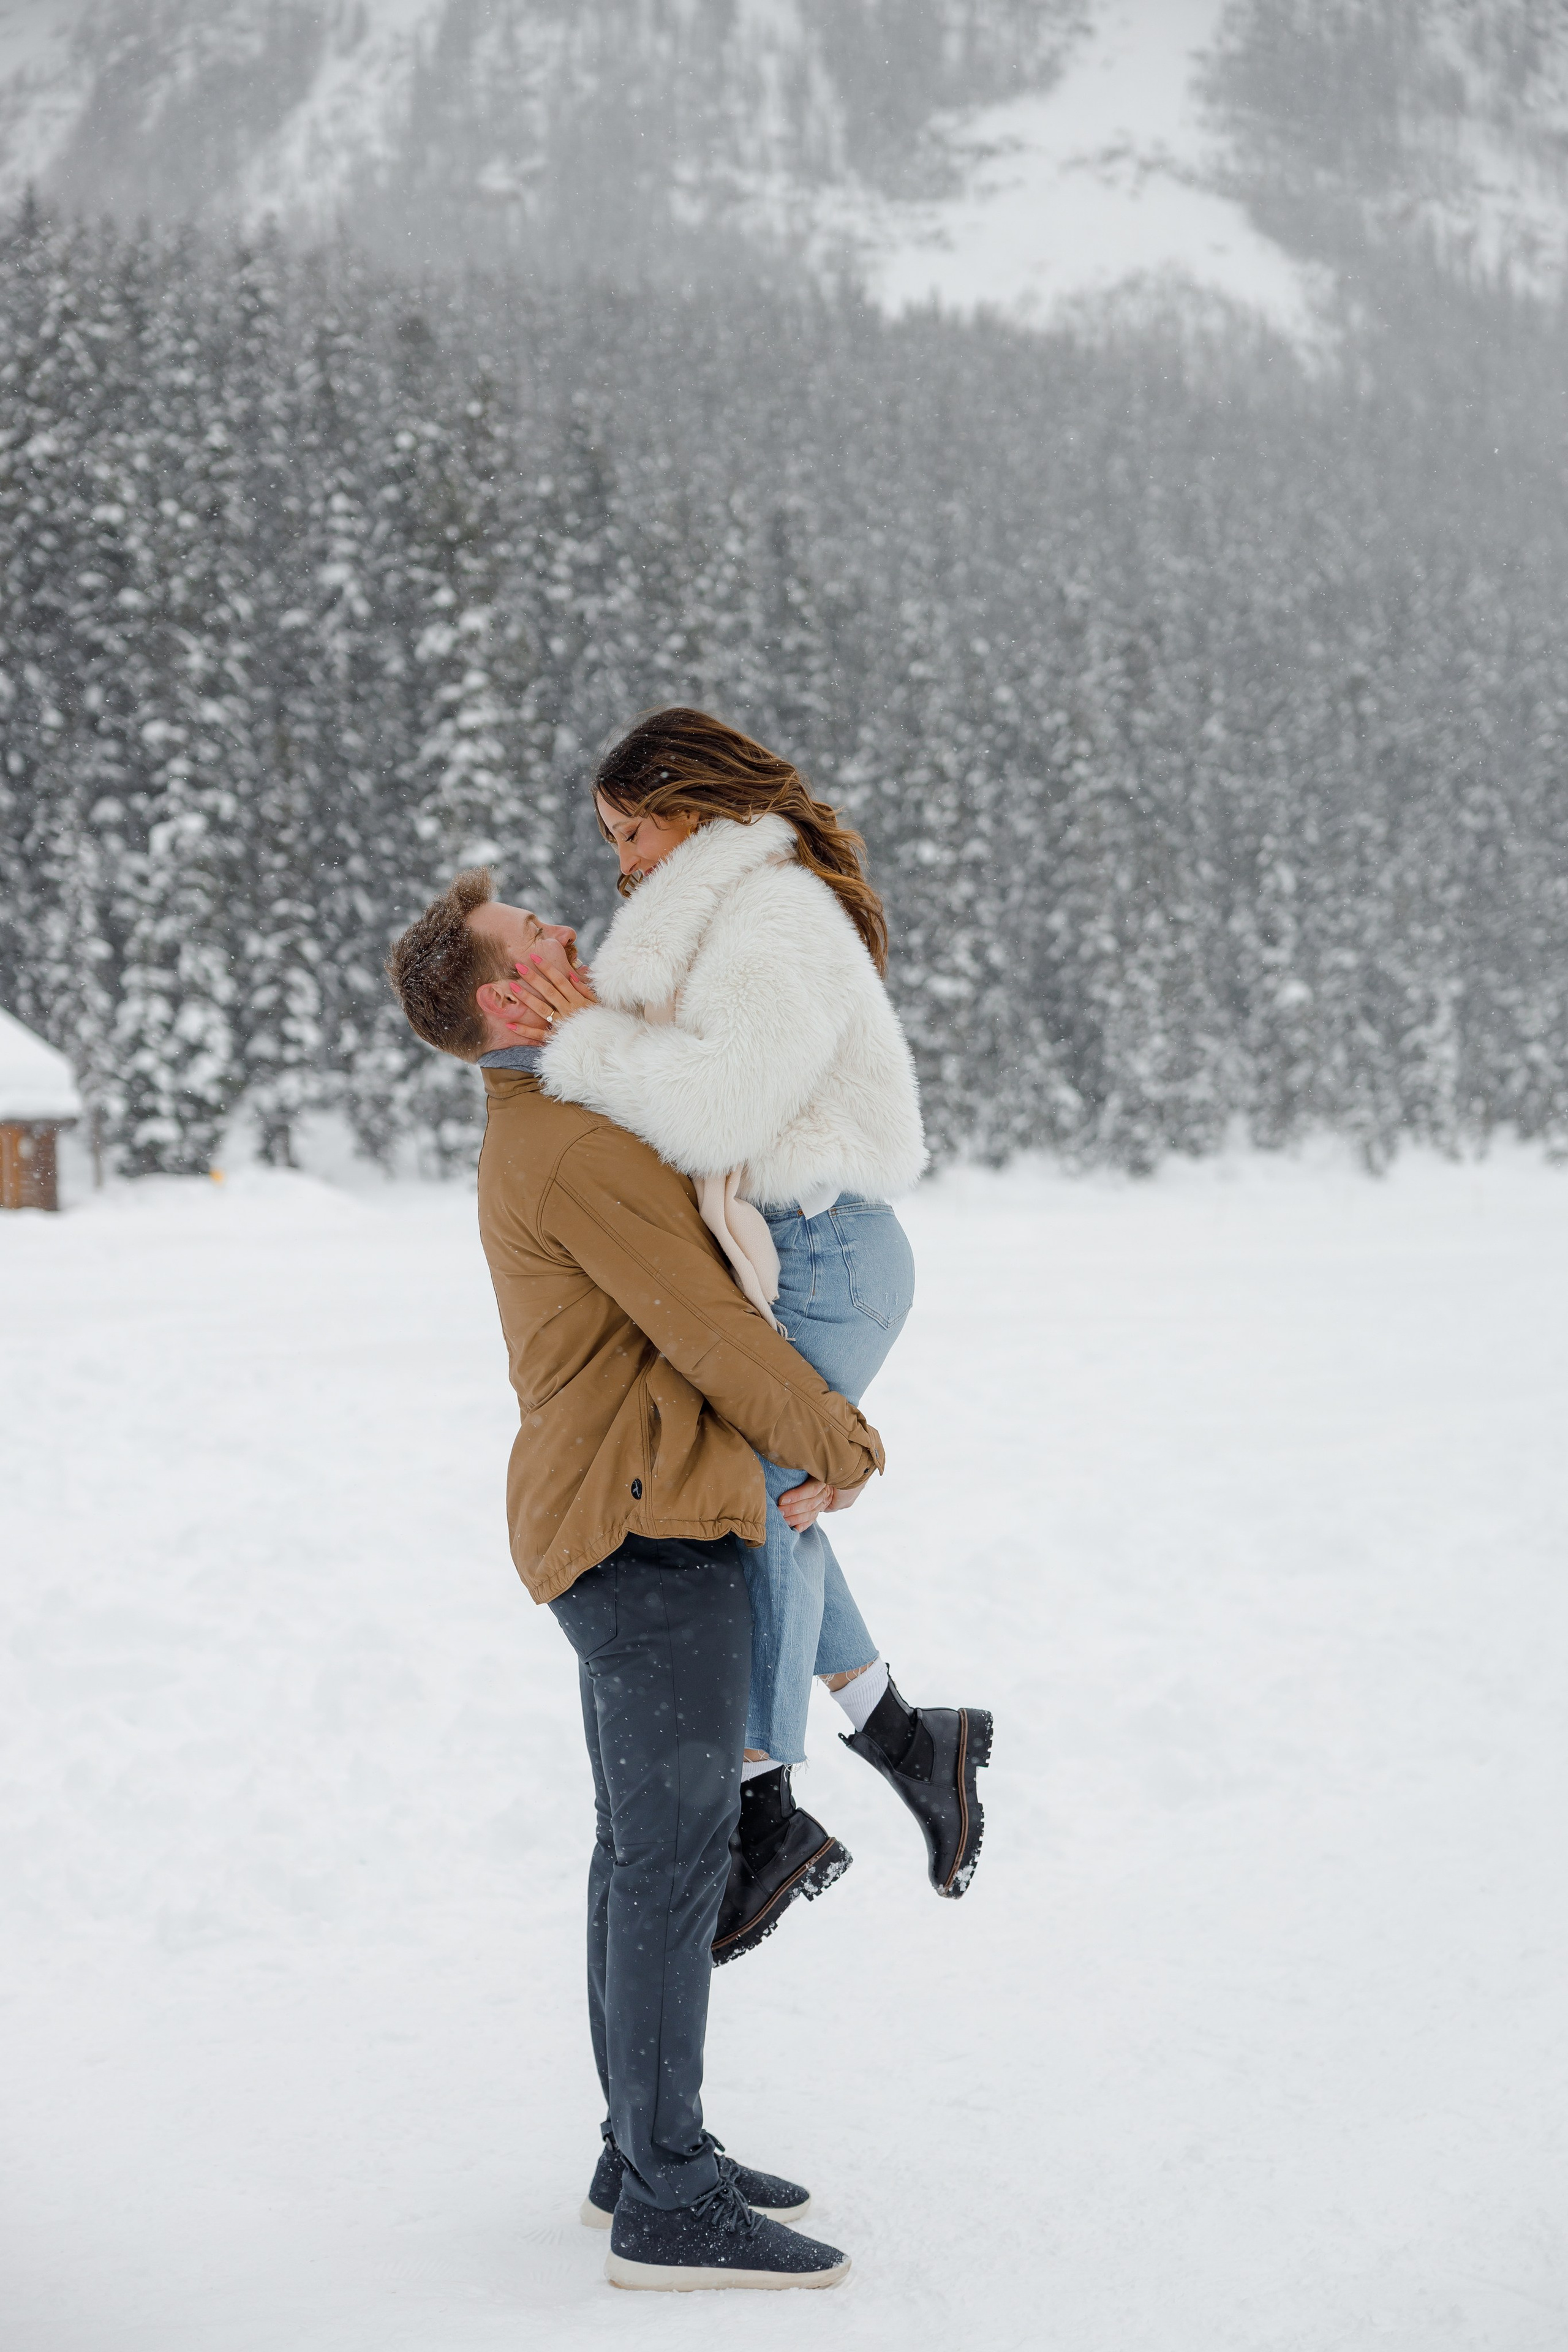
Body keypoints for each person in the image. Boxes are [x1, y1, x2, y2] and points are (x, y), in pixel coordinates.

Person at [385, 873, 878, 2290]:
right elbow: (709, 1324)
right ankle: (666, 2202)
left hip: (635, 1521)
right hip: (640, 1534)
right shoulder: (565, 1140)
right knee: (669, 1865)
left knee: (641, 1857)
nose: (562, 933)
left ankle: (641, 2150)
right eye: (534, 937)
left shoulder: (568, 1114)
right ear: (503, 999)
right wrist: (840, 1440)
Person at [501, 708, 991, 1961]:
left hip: (823, 1247)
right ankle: (899, 1741)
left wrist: (580, 1040)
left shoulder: (771, 918)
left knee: (762, 1495)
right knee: (765, 1490)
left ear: (691, 808)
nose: (619, 864)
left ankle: (769, 1804)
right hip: (802, 1242)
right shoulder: (731, 920)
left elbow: (717, 1107)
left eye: (630, 830)